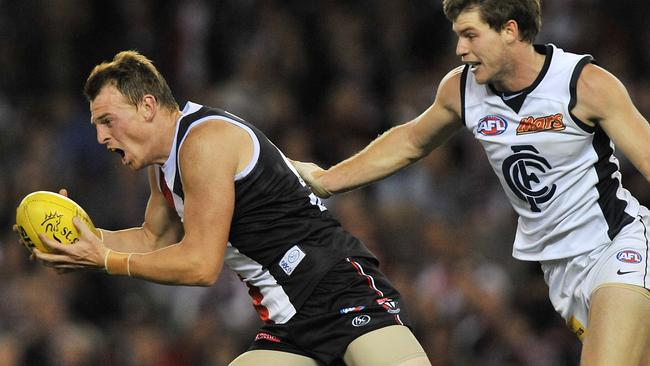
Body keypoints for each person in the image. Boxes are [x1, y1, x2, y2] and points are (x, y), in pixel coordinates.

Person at [290, 1, 650, 365]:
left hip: (618, 245)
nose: (460, 49)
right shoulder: (461, 90)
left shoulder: (585, 84)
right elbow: (411, 141)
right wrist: (326, 180)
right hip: (560, 272)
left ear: (510, 31)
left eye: (470, 35)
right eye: (459, 36)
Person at [24, 50, 432, 366]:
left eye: (108, 121)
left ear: (147, 106)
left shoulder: (204, 143)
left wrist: (106, 259)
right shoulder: (165, 163)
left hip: (338, 289)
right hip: (289, 320)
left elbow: (201, 265)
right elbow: (153, 239)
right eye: (96, 124)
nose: (99, 136)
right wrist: (84, 241)